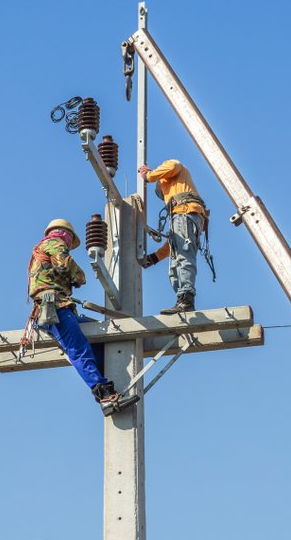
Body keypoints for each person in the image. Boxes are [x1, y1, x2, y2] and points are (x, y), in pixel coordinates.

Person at [28, 218, 139, 416]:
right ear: (65, 234)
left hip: (60, 308)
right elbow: (64, 264)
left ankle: (105, 375)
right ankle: (104, 395)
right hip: (54, 309)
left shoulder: (42, 248)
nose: (69, 244)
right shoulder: (54, 243)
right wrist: (79, 277)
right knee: (78, 349)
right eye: (70, 239)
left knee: (98, 334)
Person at [137, 160, 208, 314]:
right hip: (186, 217)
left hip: (186, 212)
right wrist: (154, 258)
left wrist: (149, 175)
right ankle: (182, 300)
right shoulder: (176, 211)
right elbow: (173, 244)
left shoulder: (173, 170)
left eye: (162, 191)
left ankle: (186, 300)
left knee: (183, 257)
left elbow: (174, 165)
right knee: (174, 267)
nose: (164, 196)